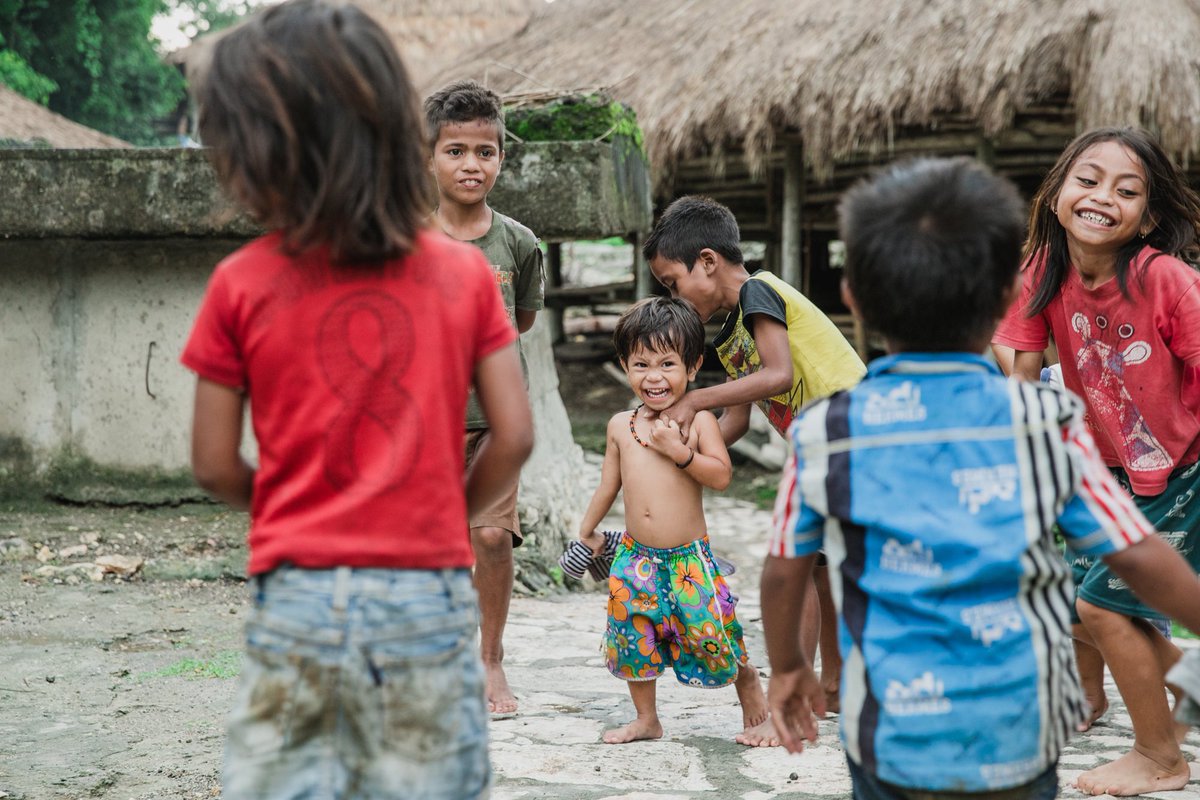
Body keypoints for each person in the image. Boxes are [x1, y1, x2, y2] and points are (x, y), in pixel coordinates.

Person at [763, 156, 1200, 799]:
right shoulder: (1045, 420)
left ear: (852, 294)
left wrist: (789, 667)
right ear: (1005, 297)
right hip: (1019, 736)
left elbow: (783, 566)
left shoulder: (828, 429)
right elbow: (1133, 551)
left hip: (888, 739)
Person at [181, 3, 532, 798]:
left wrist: (287, 504)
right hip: (428, 587)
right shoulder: (465, 276)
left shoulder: (240, 282)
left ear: (259, 155)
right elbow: (510, 433)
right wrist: (445, 512)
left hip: (298, 585)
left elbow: (211, 462)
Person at [992, 127, 1200, 796]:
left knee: (1107, 608)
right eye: (1088, 179)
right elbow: (1021, 376)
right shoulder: (1040, 273)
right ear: (1056, 191)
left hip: (1180, 470)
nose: (1102, 196)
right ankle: (1189, 686)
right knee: (1093, 610)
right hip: (1096, 472)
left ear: (1151, 215)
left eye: (1127, 189)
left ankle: (1161, 758)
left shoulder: (1165, 280)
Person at [645, 195, 866, 712]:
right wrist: (686, 457)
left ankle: (791, 697)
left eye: (673, 283)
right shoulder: (730, 333)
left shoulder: (759, 292)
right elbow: (737, 421)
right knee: (822, 566)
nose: (674, 297)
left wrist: (695, 397)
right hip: (827, 447)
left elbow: (778, 376)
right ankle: (829, 688)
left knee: (802, 560)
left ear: (707, 261)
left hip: (850, 434)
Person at [576, 296, 779, 747]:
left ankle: (749, 690)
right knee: (633, 636)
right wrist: (587, 530)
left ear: (692, 367)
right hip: (634, 557)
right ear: (625, 366)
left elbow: (721, 476)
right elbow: (608, 485)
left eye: (667, 363)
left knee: (712, 631)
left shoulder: (699, 420)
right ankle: (647, 718)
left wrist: (678, 452)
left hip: (689, 560)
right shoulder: (619, 425)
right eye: (640, 363)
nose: (653, 376)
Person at [424, 79, 546, 716]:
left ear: (501, 156)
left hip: (496, 421)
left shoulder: (519, 244)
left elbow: (520, 323)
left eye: (486, 151)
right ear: (430, 158)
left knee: (493, 539)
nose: (472, 165)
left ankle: (490, 659)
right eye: (456, 151)